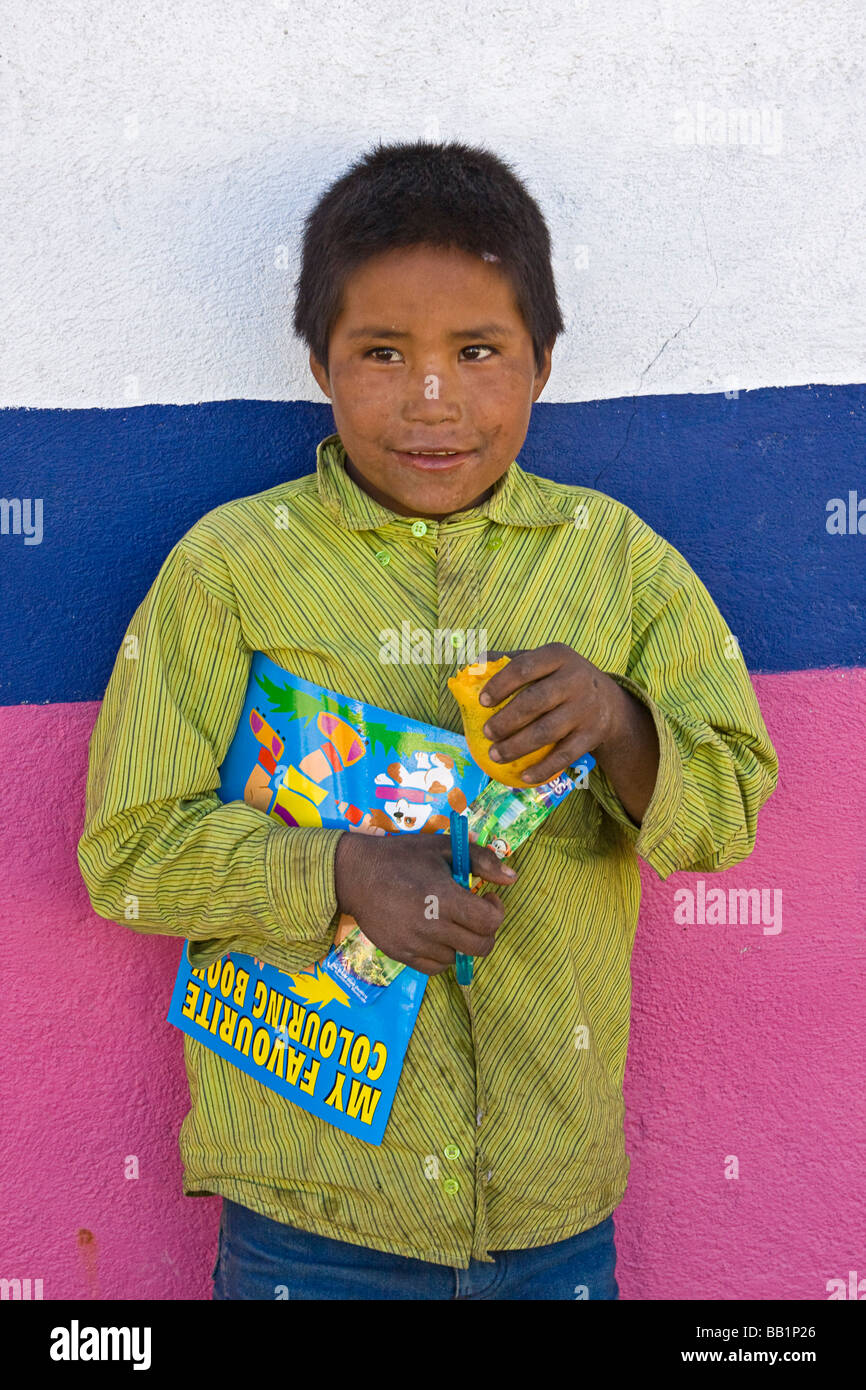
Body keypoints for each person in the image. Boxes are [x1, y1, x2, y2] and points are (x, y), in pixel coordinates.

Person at [77, 139, 779, 1301]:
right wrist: (339, 869)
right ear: (318, 364)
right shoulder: (230, 570)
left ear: (543, 363)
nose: (432, 399)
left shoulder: (621, 570)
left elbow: (727, 817)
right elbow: (125, 858)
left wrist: (618, 720)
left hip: (548, 1209)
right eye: (382, 353)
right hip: (311, 1207)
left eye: (477, 351)